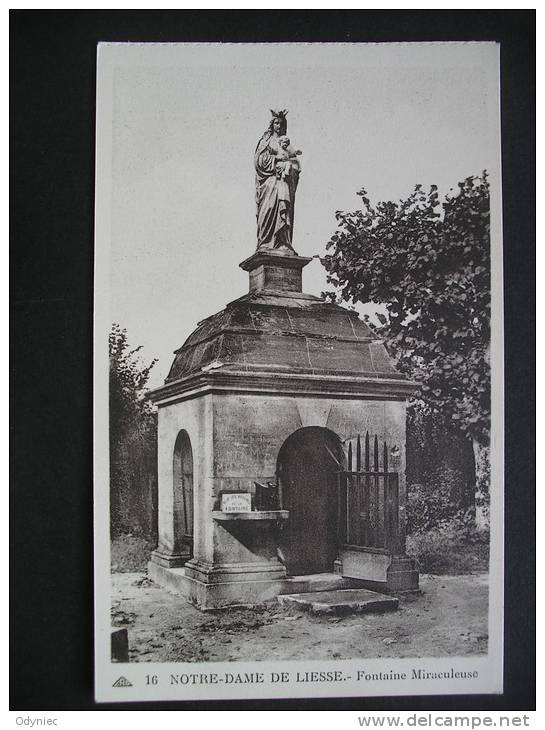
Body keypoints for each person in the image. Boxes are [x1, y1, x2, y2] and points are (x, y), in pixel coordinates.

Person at [254, 110, 301, 251]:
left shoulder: (287, 143)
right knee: (268, 210)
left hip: (284, 182)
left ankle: (283, 243)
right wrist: (278, 160)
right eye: (276, 123)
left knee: (284, 211)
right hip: (270, 183)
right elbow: (259, 162)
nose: (279, 126)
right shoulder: (266, 141)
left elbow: (296, 164)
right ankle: (266, 242)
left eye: (281, 123)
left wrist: (290, 168)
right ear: (272, 124)